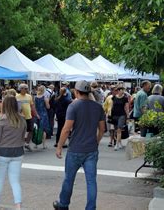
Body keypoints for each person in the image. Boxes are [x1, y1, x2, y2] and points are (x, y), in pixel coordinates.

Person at [53, 80, 106, 210]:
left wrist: (59, 146)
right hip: (91, 149)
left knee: (69, 179)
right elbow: (102, 129)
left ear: (76, 92)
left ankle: (63, 204)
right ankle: (90, 208)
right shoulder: (98, 107)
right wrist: (97, 141)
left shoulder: (73, 106)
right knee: (91, 181)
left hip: (75, 149)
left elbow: (66, 129)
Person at [0, 96, 27, 210]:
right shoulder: (22, 119)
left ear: (4, 105)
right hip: (18, 153)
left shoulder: (2, 120)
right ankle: (18, 206)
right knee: (15, 181)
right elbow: (24, 138)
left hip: (2, 153)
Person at [16, 83, 38, 152]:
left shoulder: (29, 96)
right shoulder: (17, 96)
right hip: (21, 117)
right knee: (21, 131)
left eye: (26, 89)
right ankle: (20, 144)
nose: (26, 90)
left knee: (31, 130)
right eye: (24, 88)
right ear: (21, 89)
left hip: (29, 116)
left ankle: (27, 143)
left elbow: (32, 106)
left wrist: (36, 114)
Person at [110, 85, 130, 150]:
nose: (123, 91)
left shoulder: (125, 98)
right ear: (118, 91)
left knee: (119, 129)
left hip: (122, 115)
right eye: (121, 90)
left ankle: (117, 144)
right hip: (114, 115)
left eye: (123, 90)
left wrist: (128, 115)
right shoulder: (114, 97)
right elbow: (112, 106)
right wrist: (110, 114)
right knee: (116, 130)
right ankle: (120, 143)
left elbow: (127, 108)